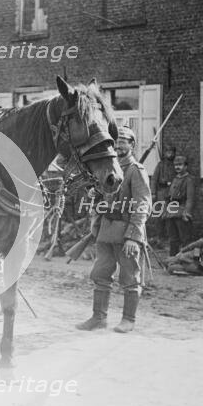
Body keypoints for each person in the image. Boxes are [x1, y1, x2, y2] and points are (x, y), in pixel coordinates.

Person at [76, 126, 152, 333]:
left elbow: (143, 205)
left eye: (124, 141)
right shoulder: (110, 170)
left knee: (129, 277)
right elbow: (103, 197)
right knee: (100, 274)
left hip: (127, 232)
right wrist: (95, 195)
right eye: (116, 141)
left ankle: (129, 320)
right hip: (106, 230)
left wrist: (133, 238)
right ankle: (99, 318)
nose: (118, 145)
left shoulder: (136, 171)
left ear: (132, 145)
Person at [163, 155, 195, 256]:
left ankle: (186, 259)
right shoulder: (175, 179)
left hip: (181, 211)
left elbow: (190, 198)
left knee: (185, 238)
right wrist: (165, 211)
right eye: (176, 165)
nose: (177, 167)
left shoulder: (189, 179)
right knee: (173, 238)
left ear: (186, 166)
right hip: (171, 211)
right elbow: (169, 196)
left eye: (180, 165)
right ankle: (172, 259)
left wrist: (187, 212)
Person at [150, 145, 176, 246]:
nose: (169, 153)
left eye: (171, 152)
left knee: (170, 217)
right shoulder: (161, 165)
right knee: (159, 218)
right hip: (161, 193)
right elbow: (154, 180)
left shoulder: (176, 164)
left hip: (172, 194)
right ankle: (160, 238)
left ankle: (170, 239)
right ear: (165, 153)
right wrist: (153, 193)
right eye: (167, 152)